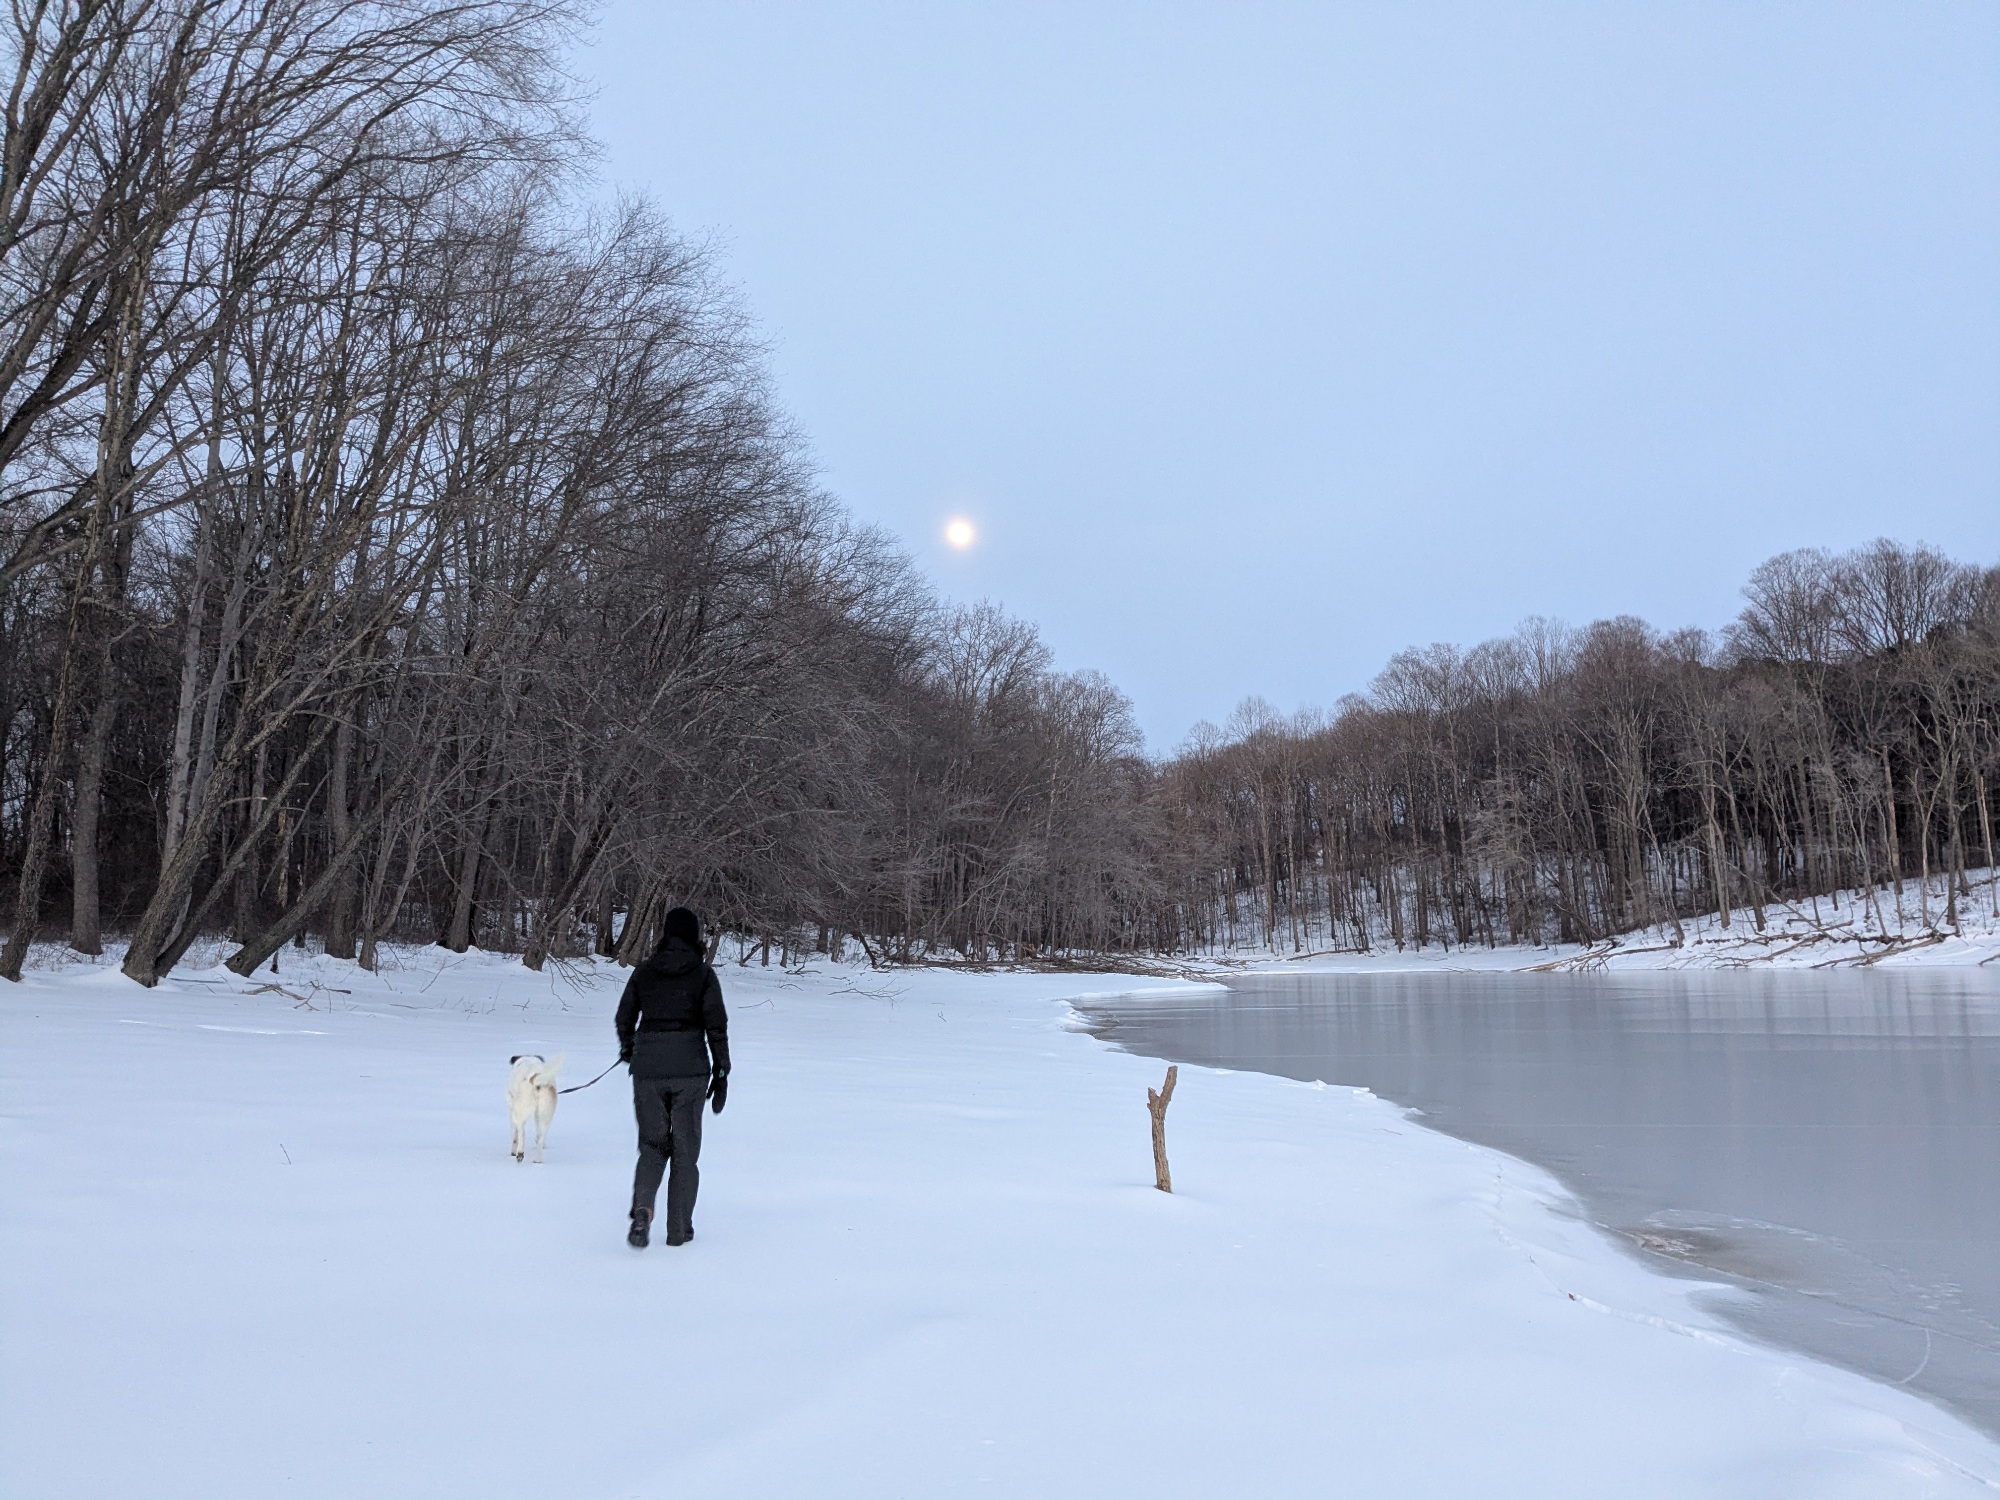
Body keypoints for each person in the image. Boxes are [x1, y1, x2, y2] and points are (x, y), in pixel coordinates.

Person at [614, 906, 729, 1248]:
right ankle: (679, 1230)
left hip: (648, 1070)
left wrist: (629, 1047)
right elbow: (716, 1027)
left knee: (652, 1146)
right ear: (695, 936)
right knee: (685, 1151)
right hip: (690, 1071)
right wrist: (722, 1071)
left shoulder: (645, 971)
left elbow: (624, 1017)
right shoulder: (703, 974)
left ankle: (642, 1209)